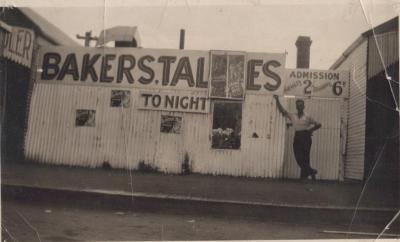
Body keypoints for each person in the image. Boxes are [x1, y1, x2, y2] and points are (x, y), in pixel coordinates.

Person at [273, 95, 321, 180]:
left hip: (306, 137)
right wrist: (277, 100)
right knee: (298, 156)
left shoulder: (308, 116)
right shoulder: (292, 116)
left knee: (305, 157)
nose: (299, 106)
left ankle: (304, 177)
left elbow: (318, 124)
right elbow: (282, 111)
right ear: (296, 107)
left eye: (301, 105)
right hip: (298, 136)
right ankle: (311, 171)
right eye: (298, 105)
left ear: (303, 106)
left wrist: (311, 130)